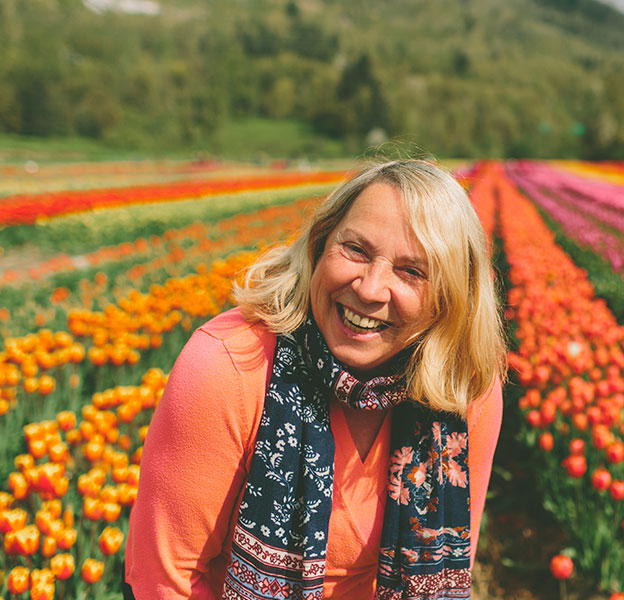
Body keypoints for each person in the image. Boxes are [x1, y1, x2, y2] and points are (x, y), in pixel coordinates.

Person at [123, 159, 507, 599]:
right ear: (319, 246)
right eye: (356, 250)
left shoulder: (462, 390)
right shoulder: (231, 366)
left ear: (449, 298)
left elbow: (446, 573)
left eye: (411, 271)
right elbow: (165, 578)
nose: (369, 288)